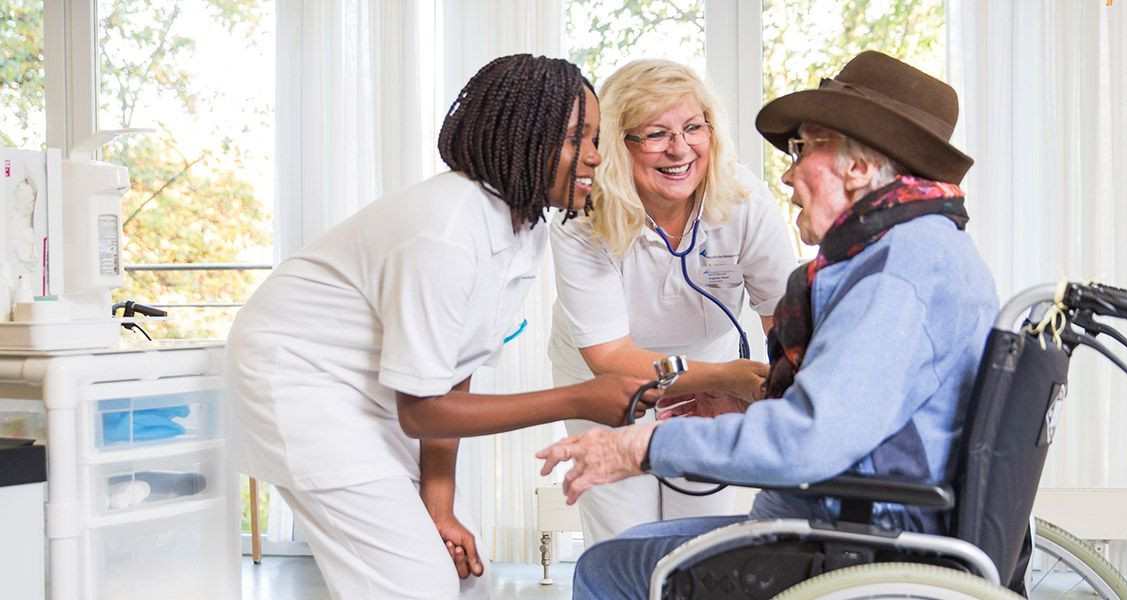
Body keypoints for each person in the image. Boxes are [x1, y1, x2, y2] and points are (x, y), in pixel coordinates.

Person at [536, 50, 1000, 599]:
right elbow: (844, 401)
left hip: (845, 533)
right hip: (831, 502)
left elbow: (812, 436)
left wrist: (647, 445)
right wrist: (751, 397)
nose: (786, 170)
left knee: (609, 567)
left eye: (802, 148)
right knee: (625, 537)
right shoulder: (916, 249)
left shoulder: (897, 274)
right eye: (657, 133)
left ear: (855, 168)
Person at [225, 54, 658, 600]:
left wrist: (439, 507)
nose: (597, 157)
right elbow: (422, 408)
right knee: (417, 585)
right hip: (297, 383)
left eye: (595, 138)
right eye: (578, 139)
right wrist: (578, 398)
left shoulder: (523, 227)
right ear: (523, 138)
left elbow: (454, 371)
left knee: (464, 569)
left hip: (376, 388)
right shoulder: (447, 231)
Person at [547, 59, 796, 546]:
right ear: (618, 144)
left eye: (692, 128)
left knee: (699, 535)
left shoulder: (743, 198)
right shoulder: (583, 217)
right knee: (626, 536)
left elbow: (785, 325)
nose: (680, 149)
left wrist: (776, 397)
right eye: (656, 134)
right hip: (609, 383)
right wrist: (725, 377)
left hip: (713, 375)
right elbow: (610, 357)